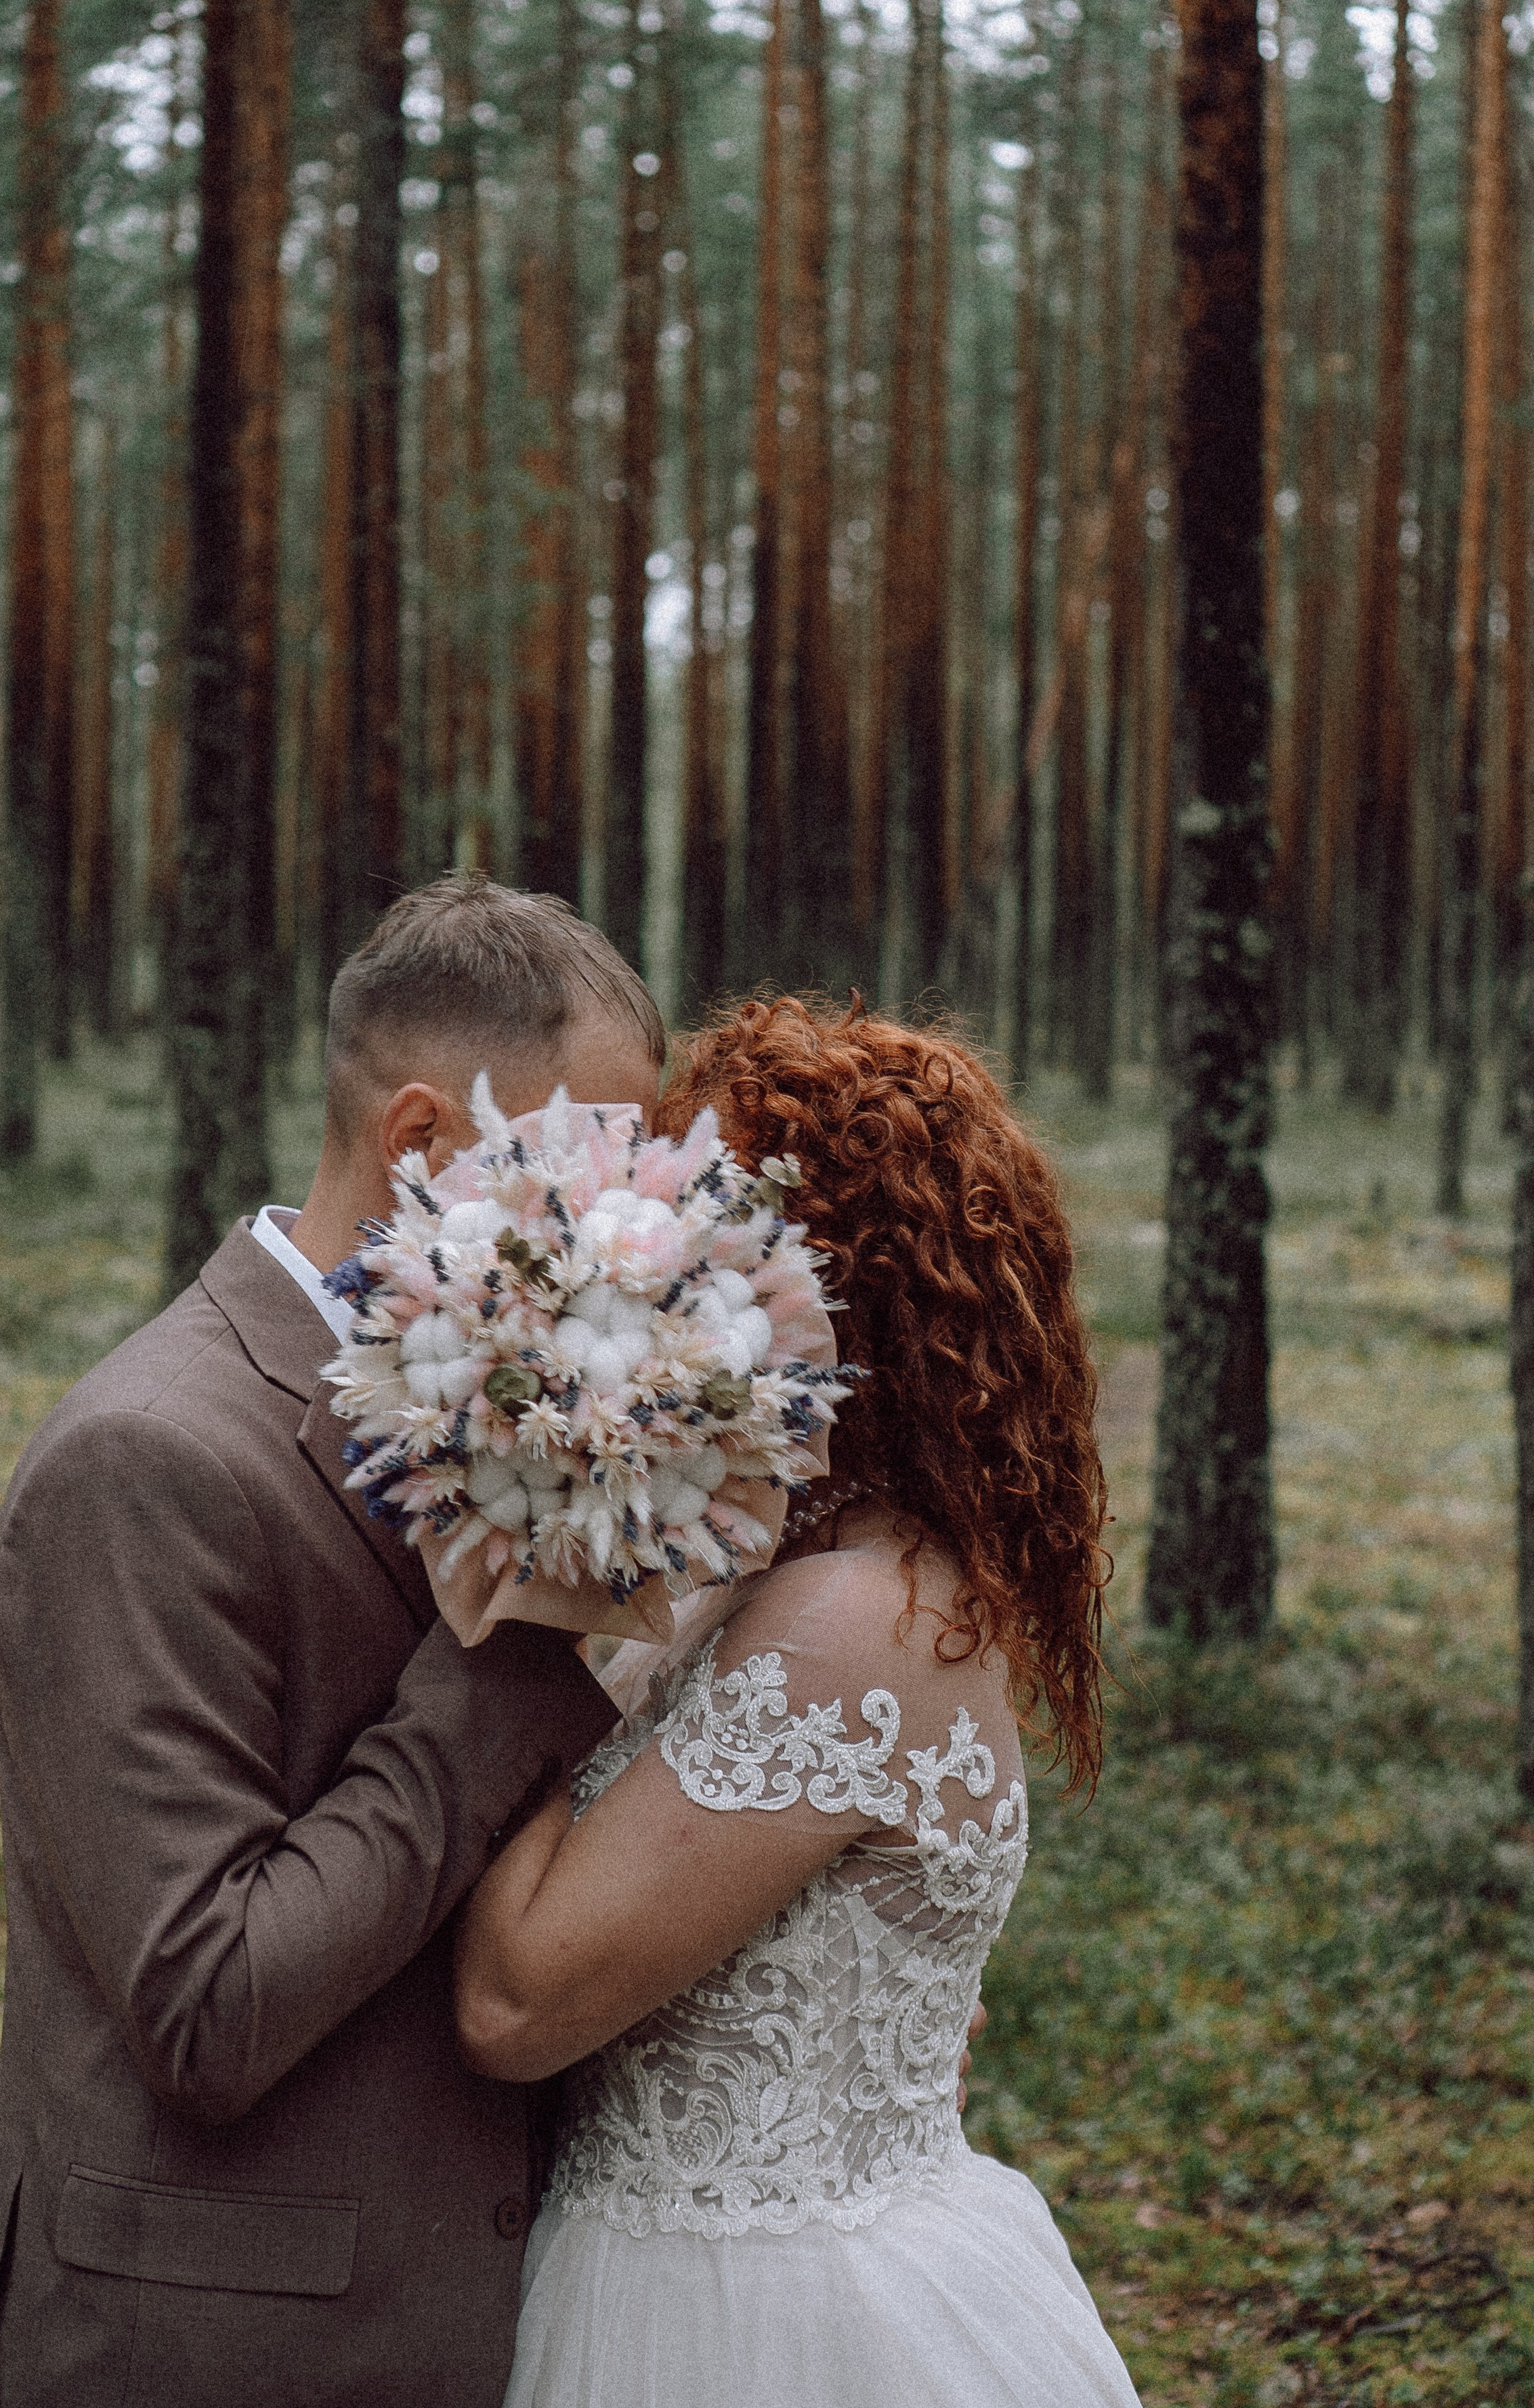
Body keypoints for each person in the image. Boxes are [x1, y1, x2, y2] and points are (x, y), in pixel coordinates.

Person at [0, 876, 663, 2408]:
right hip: (224, 2349)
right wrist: (508, 1662)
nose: (620, 1235)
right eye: (584, 1175)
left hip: (495, 2310)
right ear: (419, 1143)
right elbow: (207, 2004)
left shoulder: (516, 1398)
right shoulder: (147, 1459)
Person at [458, 995, 1142, 2408]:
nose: (655, 1274)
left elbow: (515, 2003)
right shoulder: (798, 1564)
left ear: (835, 1290)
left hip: (751, 2320)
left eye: (707, 1239)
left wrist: (529, 1616)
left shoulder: (850, 1620)